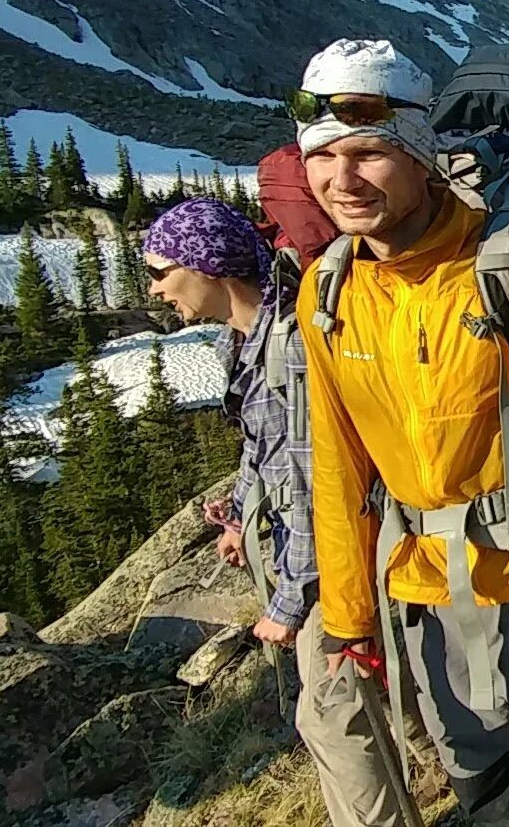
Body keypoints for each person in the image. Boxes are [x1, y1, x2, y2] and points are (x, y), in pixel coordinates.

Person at [294, 39, 509, 827]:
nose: (342, 179)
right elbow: (339, 470)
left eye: (370, 154)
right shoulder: (328, 287)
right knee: (482, 793)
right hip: (420, 591)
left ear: (421, 156)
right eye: (324, 155)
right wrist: (348, 619)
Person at [143, 196, 420, 827]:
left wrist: (288, 601)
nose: (155, 289)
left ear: (207, 266)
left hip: (337, 563)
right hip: (326, 553)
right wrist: (241, 510)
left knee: (329, 716)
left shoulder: (290, 346)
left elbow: (317, 483)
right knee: (368, 701)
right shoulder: (244, 340)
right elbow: (265, 449)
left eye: (161, 271)